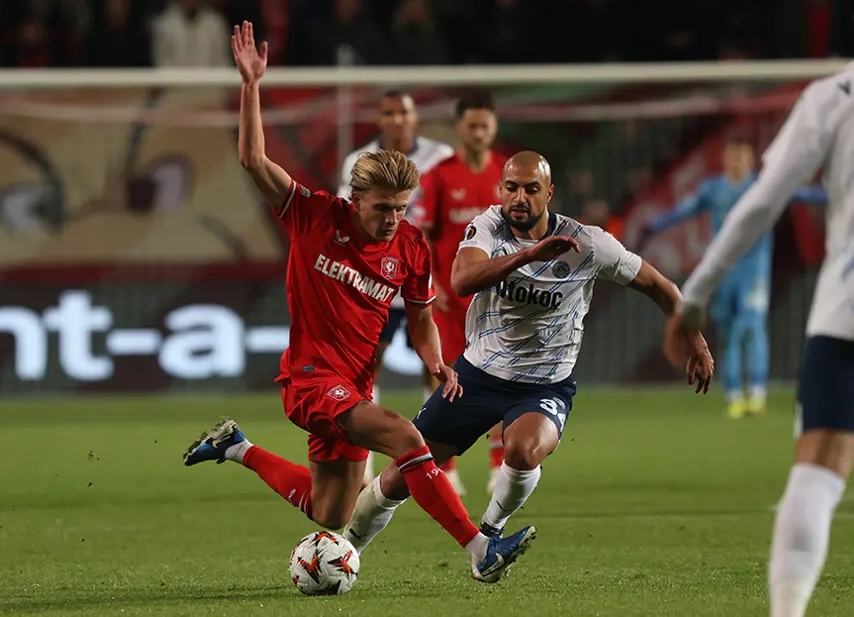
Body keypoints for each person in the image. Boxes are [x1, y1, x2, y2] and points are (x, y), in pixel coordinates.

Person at [183, 22, 538, 584]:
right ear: (356, 199)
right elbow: (253, 159)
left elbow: (421, 317)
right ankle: (479, 548)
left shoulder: (411, 245)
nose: (393, 219)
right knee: (407, 438)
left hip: (357, 383)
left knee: (330, 515)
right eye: (383, 208)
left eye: (401, 207)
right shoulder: (313, 215)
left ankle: (236, 447)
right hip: (310, 379)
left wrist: (434, 359)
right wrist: (251, 86)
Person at [343, 151, 715, 554]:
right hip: (476, 376)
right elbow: (463, 279)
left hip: (545, 385)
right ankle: (345, 549)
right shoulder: (488, 226)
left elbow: (658, 285)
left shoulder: (587, 243)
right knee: (403, 472)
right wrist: (526, 256)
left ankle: (489, 533)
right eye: (512, 188)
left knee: (522, 449)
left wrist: (696, 339)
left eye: (531, 189)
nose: (520, 197)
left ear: (549, 193)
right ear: (501, 190)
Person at [663, 67, 854, 617]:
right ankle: (740, 394)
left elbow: (765, 200)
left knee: (817, 472)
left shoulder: (834, 96)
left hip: (845, 312)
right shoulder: (713, 187)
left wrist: (692, 297)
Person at [644, 136, 827, 418]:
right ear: (726, 159)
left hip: (754, 272)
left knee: (751, 327)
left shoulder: (761, 186)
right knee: (729, 334)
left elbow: (796, 193)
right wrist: (655, 225)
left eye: (742, 156)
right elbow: (684, 210)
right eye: (733, 156)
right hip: (723, 274)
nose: (737, 162)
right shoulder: (713, 189)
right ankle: (733, 397)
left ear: (750, 160)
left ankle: (756, 395)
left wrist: (833, 193)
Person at [337, 90, 458, 488]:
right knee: (366, 368)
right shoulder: (357, 162)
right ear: (380, 118)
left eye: (404, 112)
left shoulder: (440, 158)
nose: (398, 120)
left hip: (426, 279)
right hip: (376, 284)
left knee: (436, 369)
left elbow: (444, 227)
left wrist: (440, 273)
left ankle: (440, 468)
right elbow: (347, 221)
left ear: (413, 117)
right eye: (389, 113)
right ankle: (364, 464)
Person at [410, 90, 509, 495]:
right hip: (453, 303)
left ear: (494, 127)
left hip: (500, 302)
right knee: (445, 379)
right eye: (472, 125)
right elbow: (421, 235)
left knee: (504, 380)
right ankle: (444, 466)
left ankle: (499, 465)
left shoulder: (507, 176)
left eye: (485, 124)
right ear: (459, 128)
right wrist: (433, 281)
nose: (479, 131)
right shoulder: (440, 177)